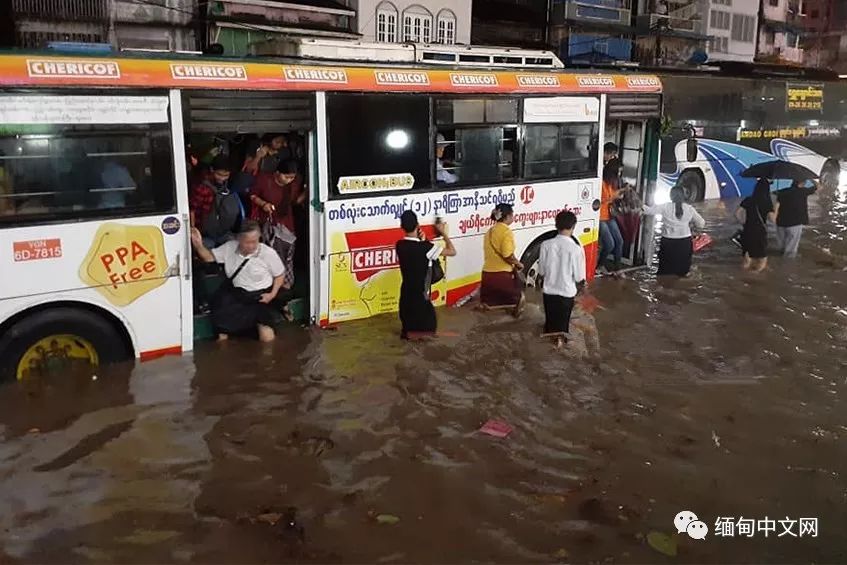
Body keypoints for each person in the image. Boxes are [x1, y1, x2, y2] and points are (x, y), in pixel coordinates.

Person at [190, 221, 287, 343]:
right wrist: (198, 245)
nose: (251, 246)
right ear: (238, 239)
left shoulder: (268, 253)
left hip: (261, 298)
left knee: (267, 338)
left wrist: (272, 294)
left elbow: (280, 275)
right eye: (247, 242)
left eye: (255, 242)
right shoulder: (229, 247)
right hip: (236, 295)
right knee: (222, 333)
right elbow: (209, 257)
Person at [396, 211, 456, 340]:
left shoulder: (399, 246)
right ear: (417, 225)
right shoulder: (426, 248)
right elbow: (452, 251)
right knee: (427, 337)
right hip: (421, 302)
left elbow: (414, 247)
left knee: (408, 336)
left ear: (402, 226)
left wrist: (421, 240)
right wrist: (443, 232)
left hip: (405, 300)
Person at [537, 211, 586, 349]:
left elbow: (541, 271)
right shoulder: (576, 249)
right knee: (563, 327)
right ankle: (560, 346)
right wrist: (582, 289)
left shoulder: (546, 245)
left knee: (549, 324)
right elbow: (578, 277)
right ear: (573, 226)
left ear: (556, 225)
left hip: (549, 292)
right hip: (566, 294)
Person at [643, 185, 706, 277]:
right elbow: (701, 223)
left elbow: (648, 211)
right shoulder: (689, 209)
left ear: (671, 196)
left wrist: (637, 201)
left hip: (668, 243)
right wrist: (692, 226)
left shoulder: (665, 207)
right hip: (684, 243)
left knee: (664, 272)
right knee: (682, 272)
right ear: (683, 196)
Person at [190, 155, 243, 249]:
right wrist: (193, 229)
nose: (222, 178)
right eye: (219, 174)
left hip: (222, 231)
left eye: (226, 175)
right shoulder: (202, 188)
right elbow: (192, 210)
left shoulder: (228, 186)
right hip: (203, 233)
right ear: (212, 170)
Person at [481, 203, 525, 316]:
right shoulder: (506, 232)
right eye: (512, 215)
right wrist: (518, 263)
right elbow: (507, 255)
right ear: (508, 216)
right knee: (519, 302)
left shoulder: (489, 232)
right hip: (502, 277)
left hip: (486, 276)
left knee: (491, 311)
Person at [250, 159, 304, 234]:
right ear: (277, 172)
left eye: (292, 178)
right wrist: (263, 204)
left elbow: (296, 200)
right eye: (286, 177)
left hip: (285, 222)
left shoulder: (293, 184)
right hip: (266, 220)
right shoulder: (264, 179)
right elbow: (252, 195)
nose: (289, 180)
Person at [736, 178, 776, 272]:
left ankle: (742, 276)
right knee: (762, 259)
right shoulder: (767, 202)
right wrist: (775, 209)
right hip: (759, 232)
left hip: (747, 231)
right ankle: (754, 276)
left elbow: (737, 214)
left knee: (747, 258)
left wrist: (744, 223)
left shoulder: (748, 199)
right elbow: (772, 219)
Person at [774, 179, 817, 258]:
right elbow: (818, 187)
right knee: (791, 248)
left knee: (781, 246)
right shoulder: (803, 191)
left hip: (780, 222)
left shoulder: (782, 192)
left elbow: (776, 206)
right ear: (802, 183)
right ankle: (787, 265)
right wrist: (812, 179)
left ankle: (780, 259)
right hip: (795, 223)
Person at [598, 142, 624, 273]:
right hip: (601, 217)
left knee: (619, 241)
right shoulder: (601, 182)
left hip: (610, 215)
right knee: (610, 244)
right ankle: (599, 265)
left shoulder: (612, 182)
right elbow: (600, 200)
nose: (619, 175)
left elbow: (612, 195)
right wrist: (614, 197)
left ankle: (618, 269)